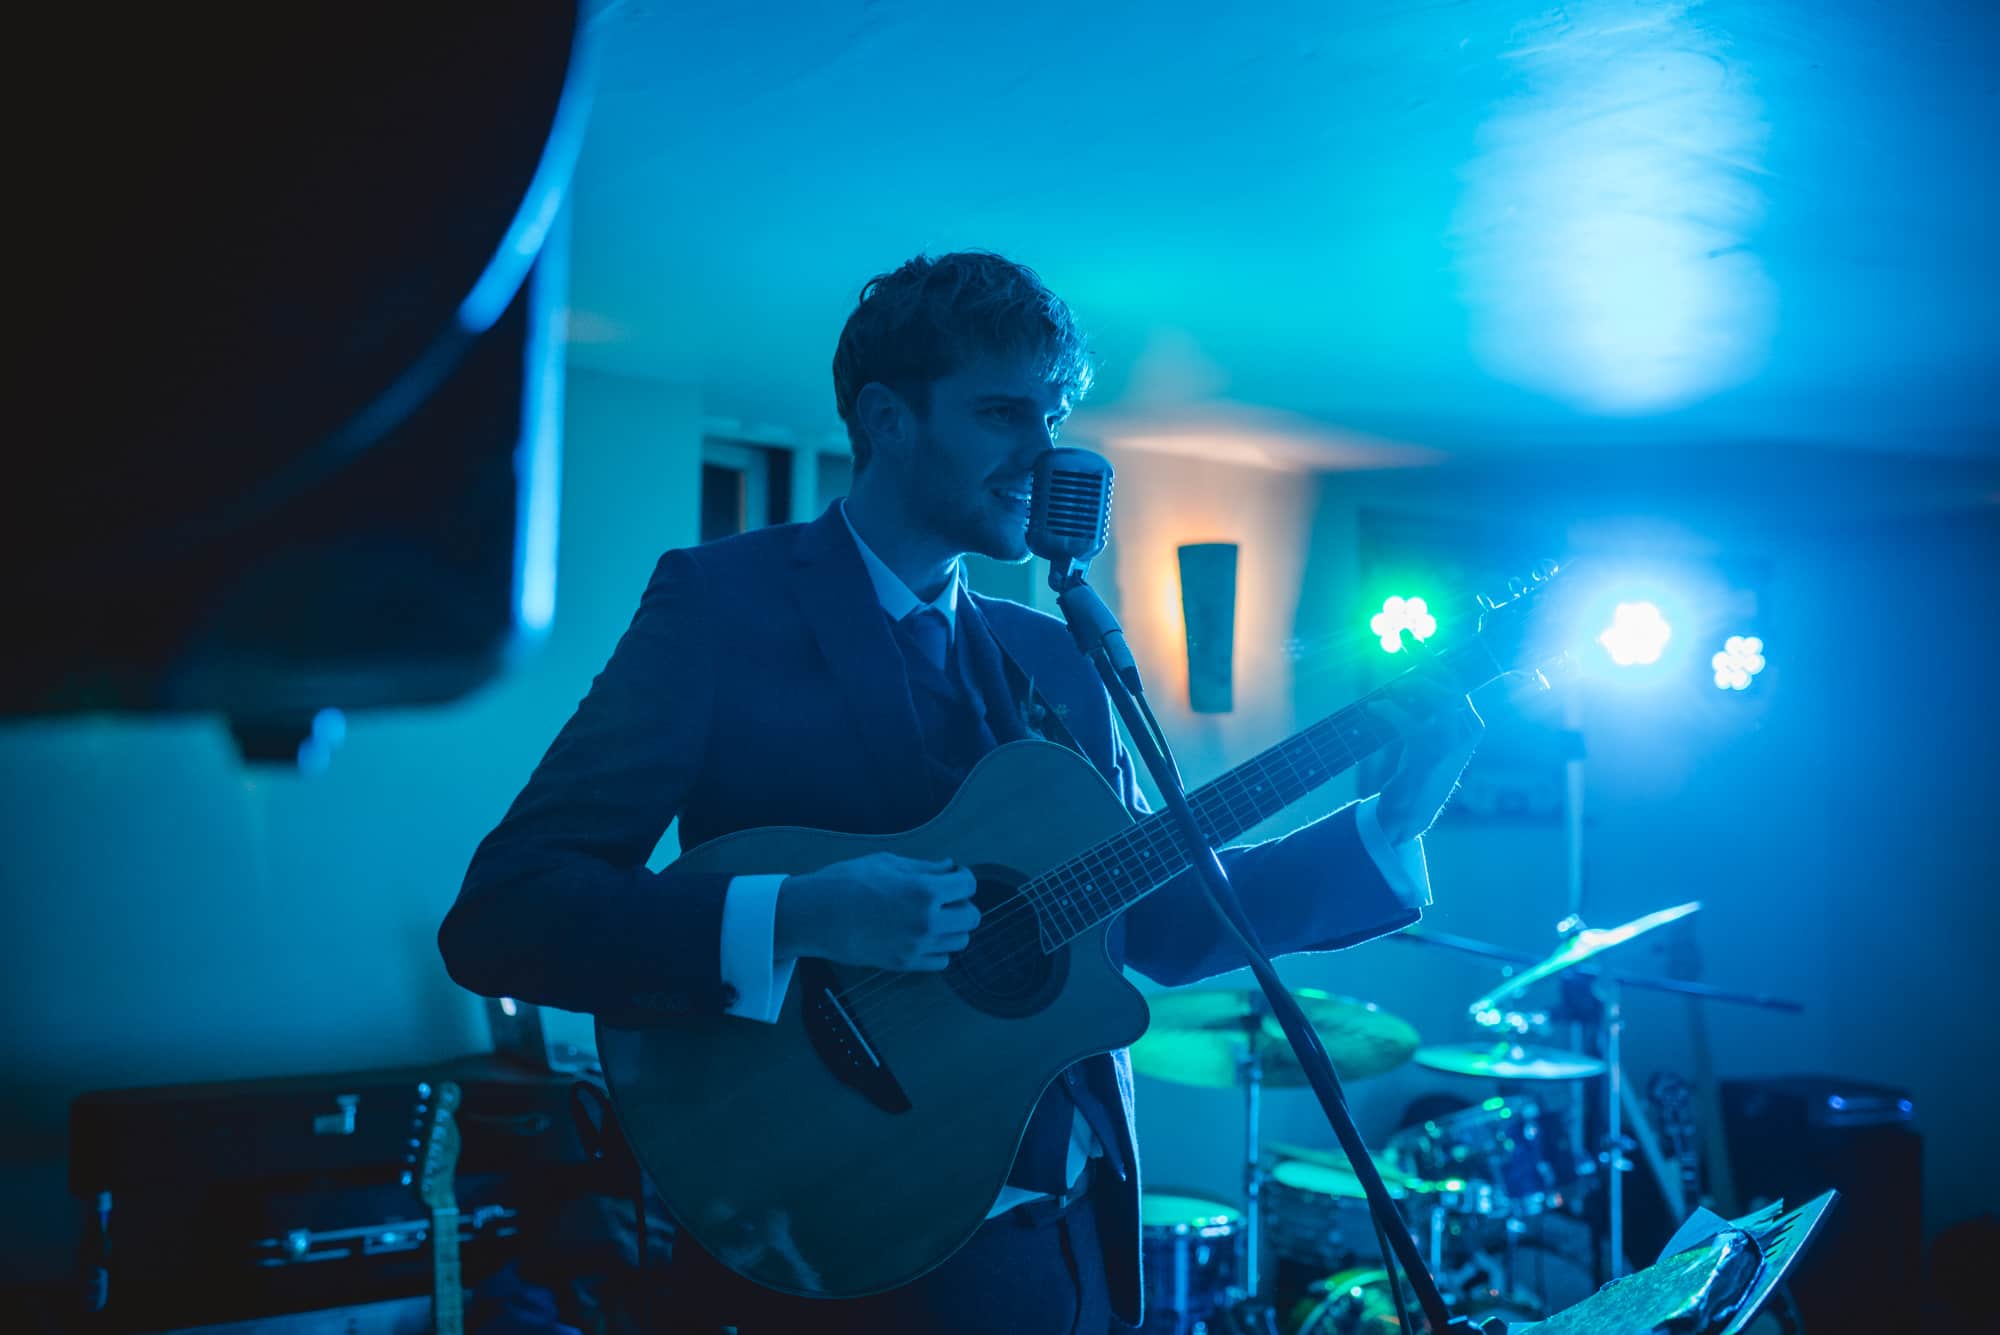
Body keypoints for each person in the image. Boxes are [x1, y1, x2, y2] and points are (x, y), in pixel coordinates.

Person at [439, 251, 1484, 1333]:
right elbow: (507, 914)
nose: (1044, 453)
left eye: (1055, 413)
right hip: (842, 1241)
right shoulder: (720, 607)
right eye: (1001, 413)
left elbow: (1158, 924)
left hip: (1069, 1250)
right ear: (887, 418)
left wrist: (1386, 826)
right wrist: (803, 911)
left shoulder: (1060, 655)